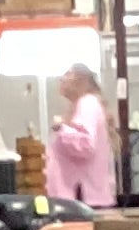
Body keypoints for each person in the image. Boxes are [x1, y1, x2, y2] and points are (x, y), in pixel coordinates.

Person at [45, 63, 116, 208]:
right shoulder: (85, 105)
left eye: (67, 74)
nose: (62, 79)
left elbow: (85, 145)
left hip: (82, 198)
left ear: (81, 81)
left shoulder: (87, 104)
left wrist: (62, 129)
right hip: (81, 197)